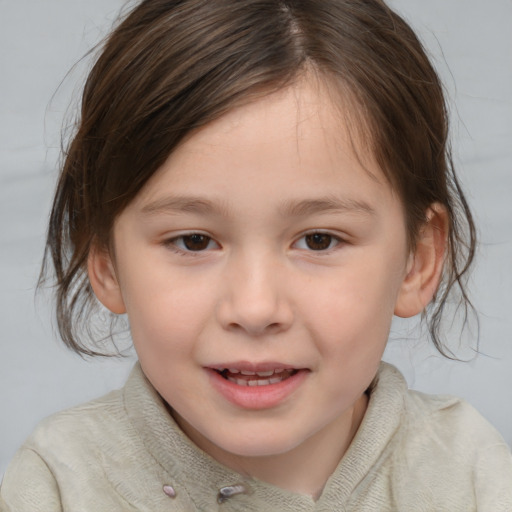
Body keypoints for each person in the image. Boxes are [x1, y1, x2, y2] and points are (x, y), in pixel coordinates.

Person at [1, 0, 511, 510]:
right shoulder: (59, 486)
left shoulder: (470, 475)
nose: (254, 308)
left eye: (319, 240)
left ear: (417, 261)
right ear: (105, 259)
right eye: (194, 241)